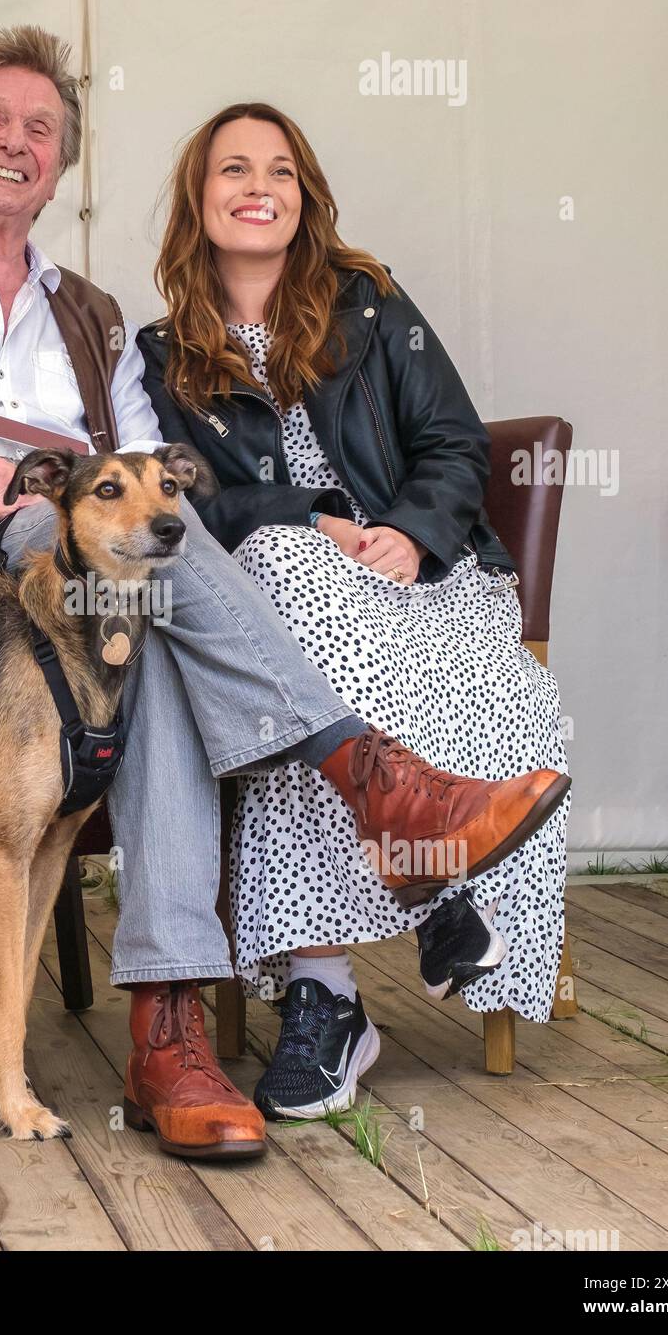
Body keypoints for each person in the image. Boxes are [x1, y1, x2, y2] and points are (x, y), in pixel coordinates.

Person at [0, 28, 565, 1158]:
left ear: (59, 167)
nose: (15, 143)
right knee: (120, 557)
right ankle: (368, 791)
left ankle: (169, 1026)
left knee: (153, 614)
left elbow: (154, 491)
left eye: (41, 130)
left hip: (86, 603)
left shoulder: (95, 320)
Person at [137, 102, 571, 1122]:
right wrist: (314, 519)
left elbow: (456, 443)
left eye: (280, 171)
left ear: (305, 195)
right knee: (283, 575)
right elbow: (187, 504)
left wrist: (412, 532)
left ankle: (325, 996)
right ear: (198, 202)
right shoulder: (162, 356)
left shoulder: (370, 304)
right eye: (233, 169)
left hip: (423, 583)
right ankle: (424, 895)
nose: (258, 186)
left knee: (311, 696)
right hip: (287, 598)